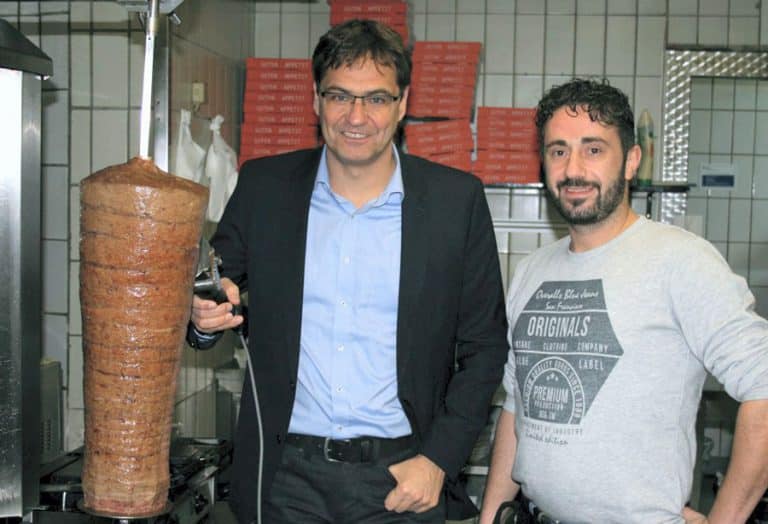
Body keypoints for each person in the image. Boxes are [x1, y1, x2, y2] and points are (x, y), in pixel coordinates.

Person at [188, 19, 509, 524]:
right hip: (285, 479)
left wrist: (438, 461)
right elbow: (212, 290)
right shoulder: (265, 188)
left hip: (403, 480)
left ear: (402, 104)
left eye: (376, 99)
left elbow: (485, 347)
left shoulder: (455, 202)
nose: (356, 117)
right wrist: (203, 316)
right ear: (316, 100)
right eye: (340, 96)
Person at [479, 78, 768, 524]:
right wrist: (489, 518)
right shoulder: (532, 271)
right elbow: (517, 407)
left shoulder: (681, 260)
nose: (573, 169)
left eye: (593, 149)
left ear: (632, 160)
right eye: (558, 151)